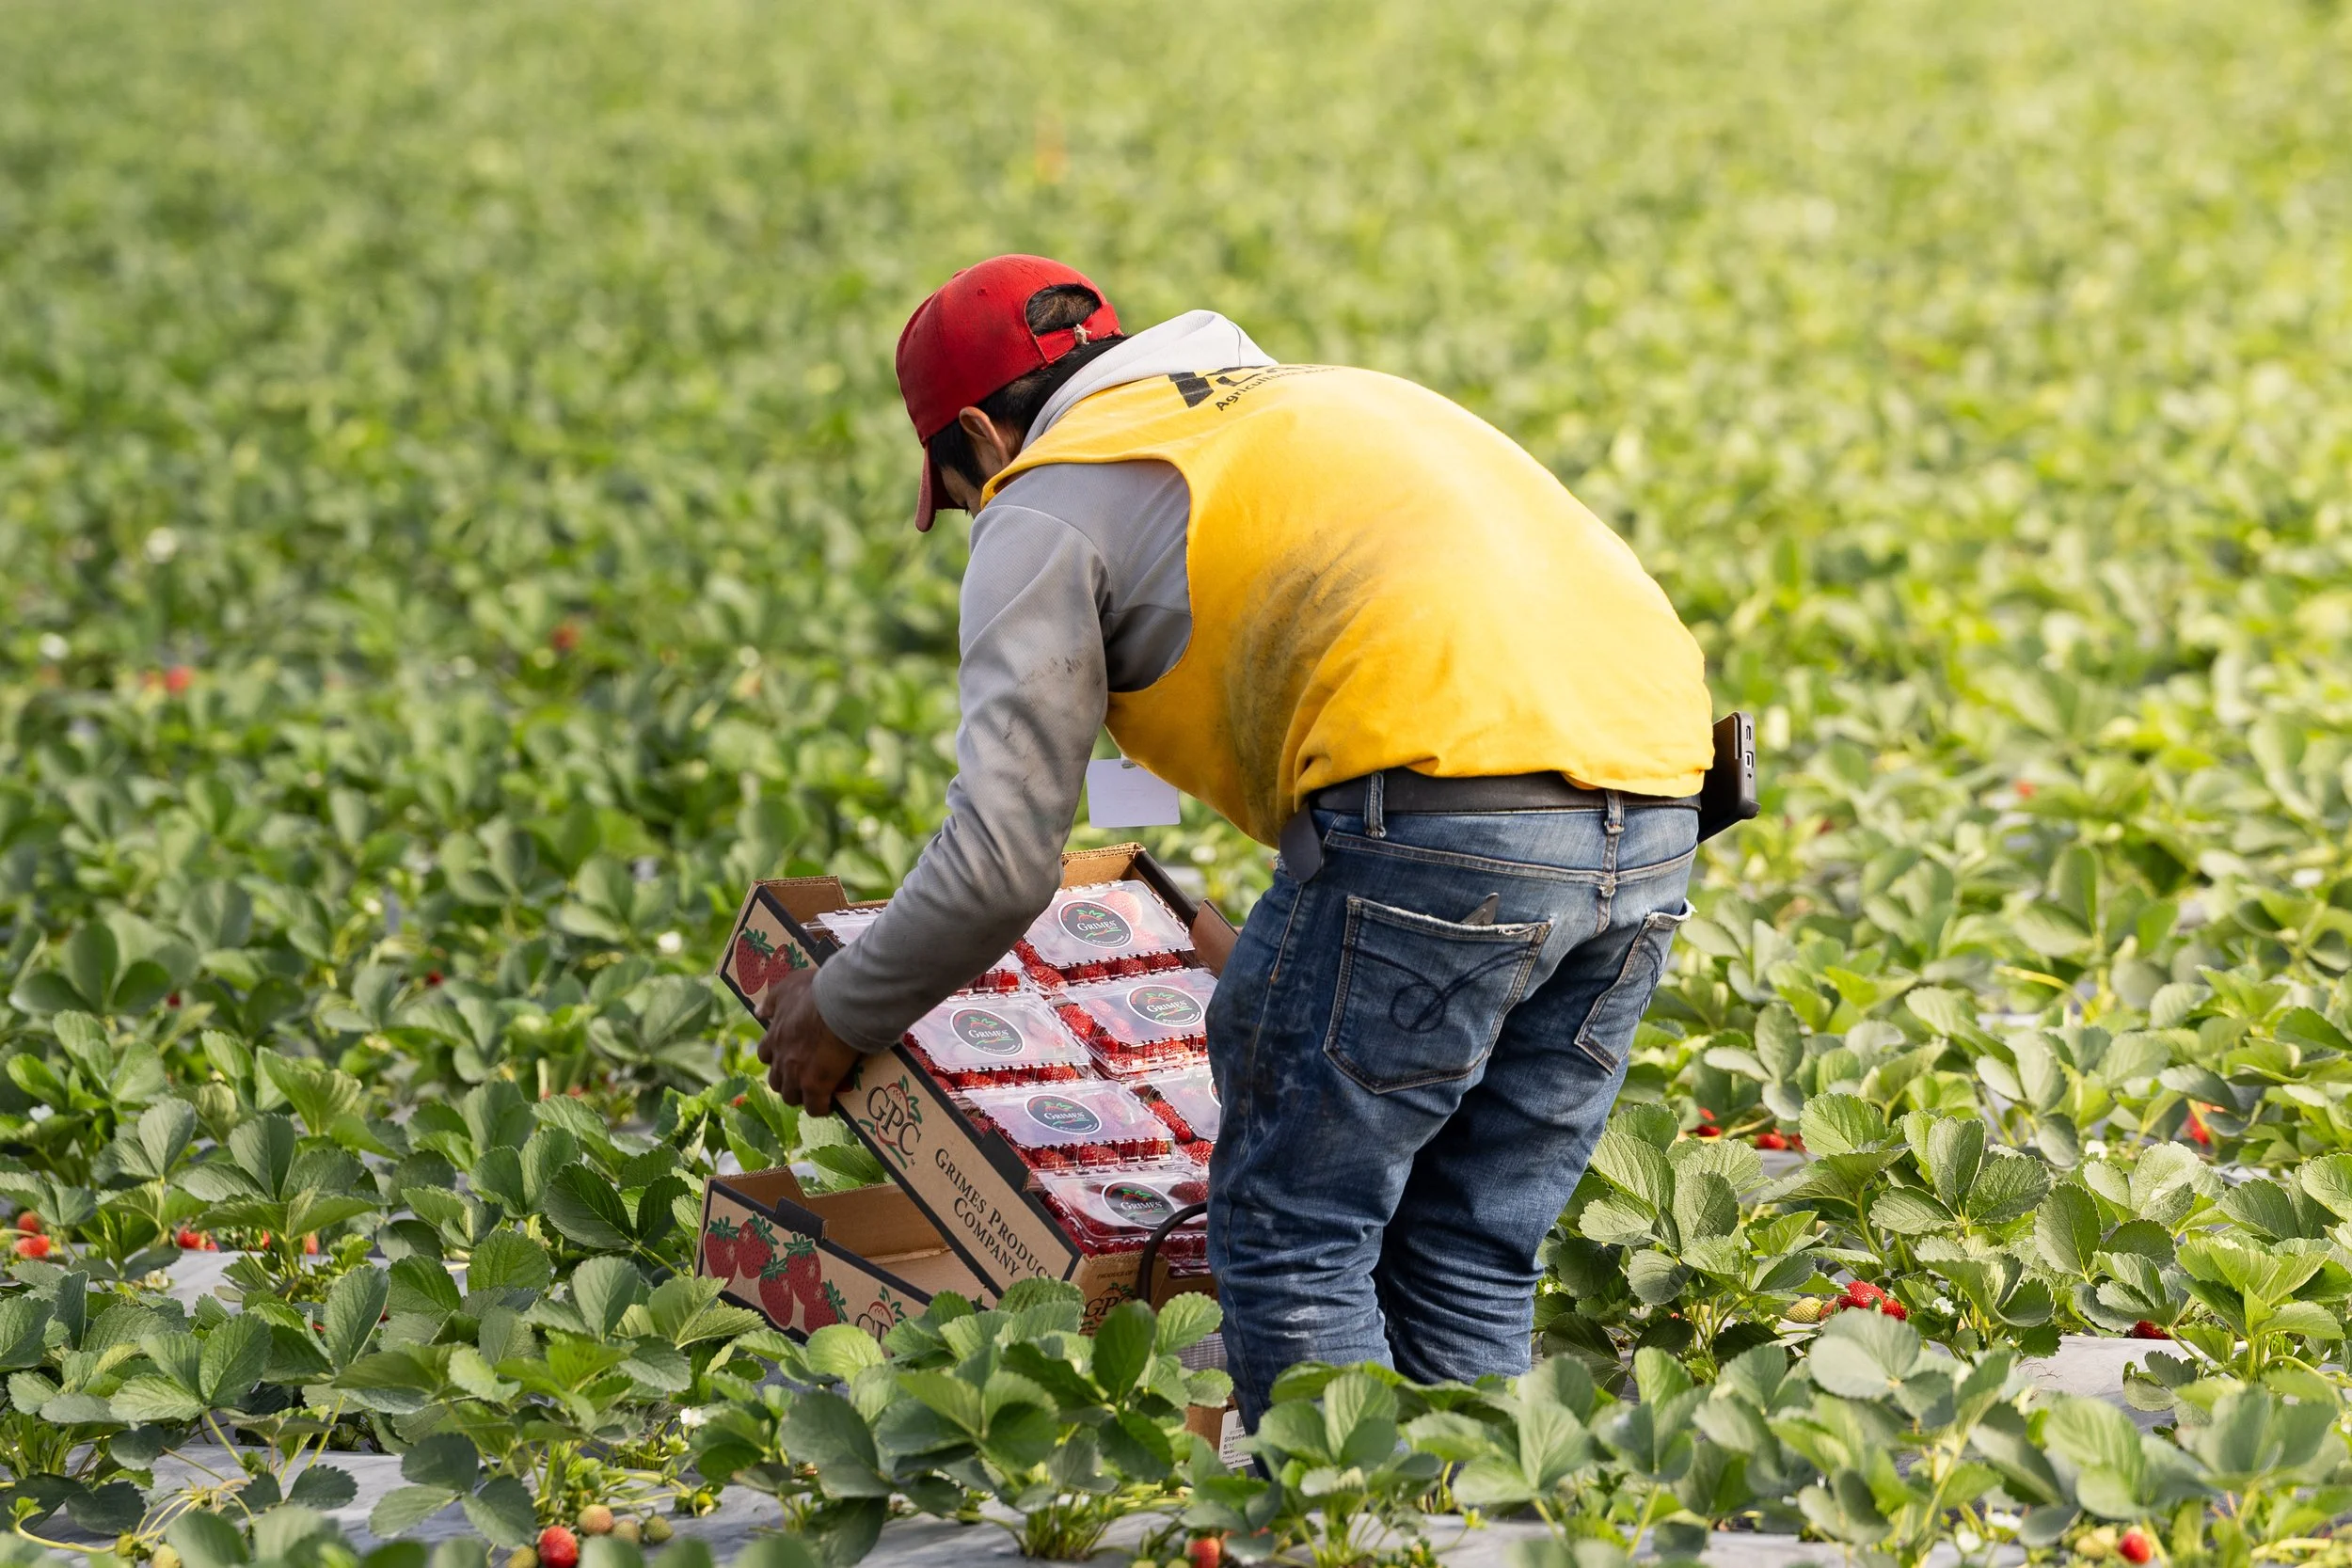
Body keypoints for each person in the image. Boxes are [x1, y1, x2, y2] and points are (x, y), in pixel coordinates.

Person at [755, 254, 1712, 1424]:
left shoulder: (1049, 497)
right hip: (1659, 798)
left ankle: (1352, 1533)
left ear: (974, 436)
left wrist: (839, 1008)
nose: (970, 518)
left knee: (1291, 1234)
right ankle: (1459, 1528)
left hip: (1438, 815)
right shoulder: (1312, 403)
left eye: (955, 493)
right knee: (1464, 1241)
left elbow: (1000, 862)